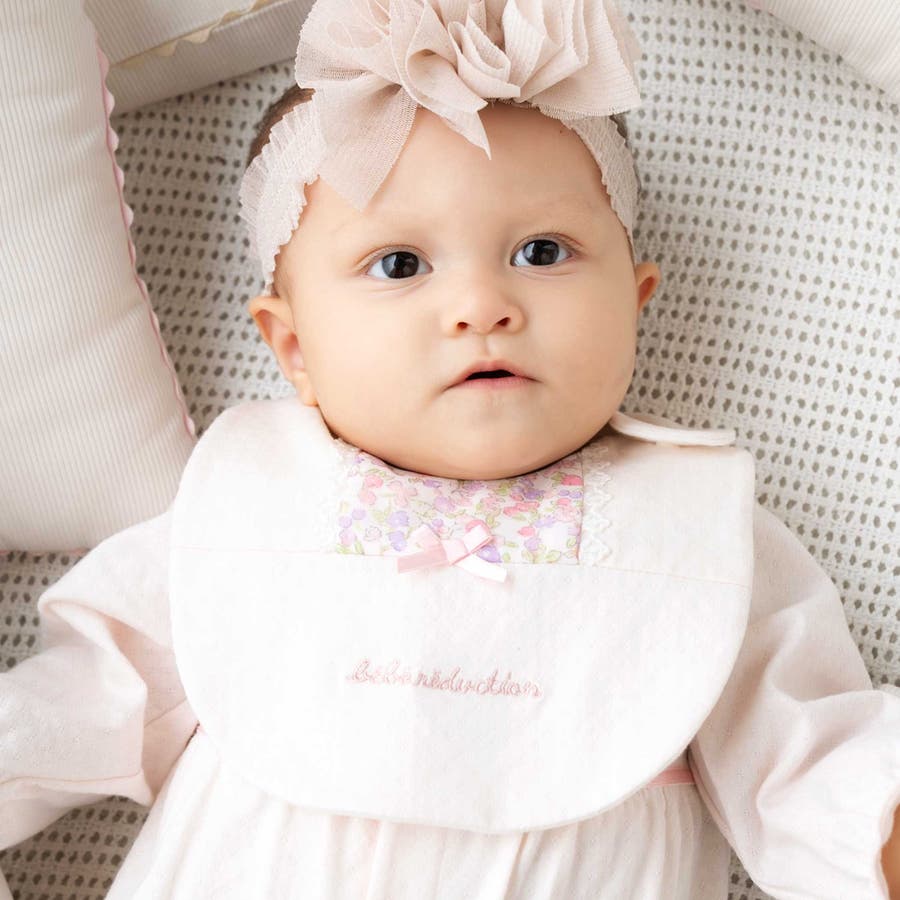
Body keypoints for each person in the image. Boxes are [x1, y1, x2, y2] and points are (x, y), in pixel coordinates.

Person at [2, 1, 899, 897]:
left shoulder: (695, 535)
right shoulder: (245, 509)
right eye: (399, 265)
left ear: (635, 304)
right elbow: (80, 705)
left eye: (542, 251)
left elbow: (813, 770)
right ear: (295, 348)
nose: (481, 305)